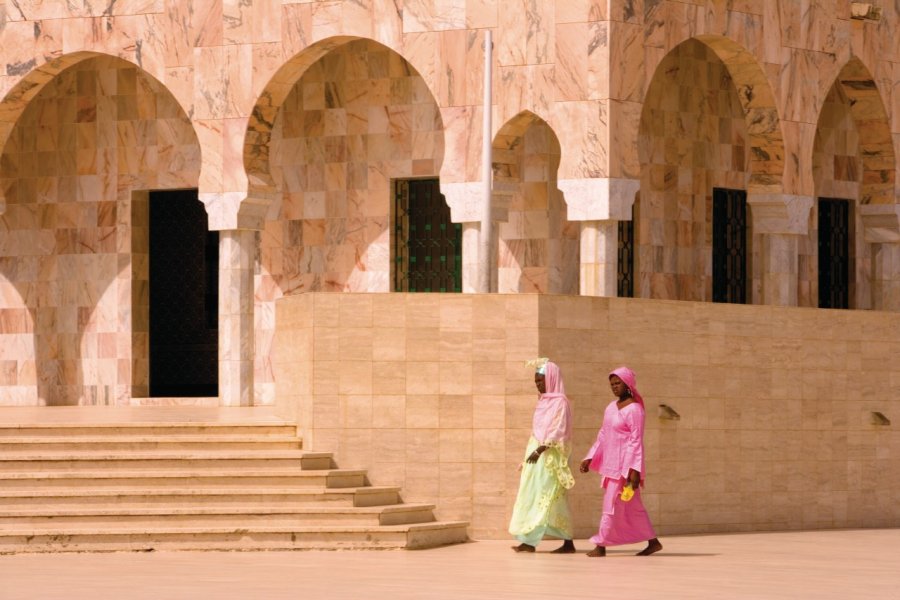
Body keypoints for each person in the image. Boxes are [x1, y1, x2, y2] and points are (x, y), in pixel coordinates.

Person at [579, 366, 662, 557]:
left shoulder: (634, 410)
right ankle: (654, 542)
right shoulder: (610, 407)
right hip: (610, 466)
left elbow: (636, 441)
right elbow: (603, 434)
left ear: (628, 384)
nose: (614, 387)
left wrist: (634, 470)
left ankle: (601, 545)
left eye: (618, 383)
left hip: (624, 469)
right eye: (612, 384)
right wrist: (589, 456)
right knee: (634, 508)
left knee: (609, 505)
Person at [508, 358, 576, 554]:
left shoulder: (560, 402)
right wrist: (529, 454)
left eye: (541, 380)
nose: (537, 384)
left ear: (552, 378)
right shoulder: (543, 401)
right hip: (535, 454)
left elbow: (558, 429)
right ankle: (530, 540)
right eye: (536, 380)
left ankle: (540, 542)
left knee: (549, 495)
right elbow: (537, 431)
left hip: (550, 456)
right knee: (533, 494)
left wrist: (541, 449)